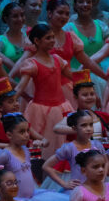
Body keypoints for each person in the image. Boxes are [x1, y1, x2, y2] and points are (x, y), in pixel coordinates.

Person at [14, 24, 76, 155]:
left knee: (63, 142)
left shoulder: (57, 59)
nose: (53, 40)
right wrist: (11, 102)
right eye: (48, 38)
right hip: (40, 109)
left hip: (62, 107)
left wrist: (86, 84)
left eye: (53, 37)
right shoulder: (32, 63)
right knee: (44, 145)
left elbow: (74, 77)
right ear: (36, 41)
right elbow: (20, 87)